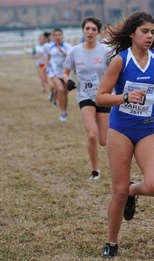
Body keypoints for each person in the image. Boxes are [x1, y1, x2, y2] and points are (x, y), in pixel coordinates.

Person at [95, 11, 154, 258]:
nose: (150, 36)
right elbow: (101, 97)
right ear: (132, 34)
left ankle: (132, 190)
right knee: (117, 192)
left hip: (147, 128)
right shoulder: (121, 60)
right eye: (145, 32)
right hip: (120, 130)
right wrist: (125, 97)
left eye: (152, 32)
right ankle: (111, 242)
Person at [63, 17, 112, 181]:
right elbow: (65, 71)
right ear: (83, 30)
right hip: (85, 96)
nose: (90, 32)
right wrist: (67, 80)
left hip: (103, 96)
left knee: (104, 140)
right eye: (87, 29)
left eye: (93, 29)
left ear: (98, 32)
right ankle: (95, 171)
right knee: (92, 135)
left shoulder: (106, 51)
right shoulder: (74, 52)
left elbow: (116, 70)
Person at [45, 28, 73, 122]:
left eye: (59, 35)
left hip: (65, 72)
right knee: (60, 89)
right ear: (53, 37)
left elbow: (71, 58)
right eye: (55, 35)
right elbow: (48, 56)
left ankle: (64, 111)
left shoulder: (68, 46)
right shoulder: (50, 47)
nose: (58, 37)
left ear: (62, 36)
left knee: (65, 94)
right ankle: (62, 111)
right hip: (54, 72)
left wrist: (63, 52)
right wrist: (46, 64)